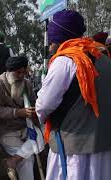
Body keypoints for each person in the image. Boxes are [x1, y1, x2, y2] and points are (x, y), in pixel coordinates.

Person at [36, 10, 111, 180]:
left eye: (52, 41)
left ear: (58, 38)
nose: (50, 47)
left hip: (74, 151)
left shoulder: (65, 61)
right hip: (104, 148)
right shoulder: (105, 59)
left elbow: (43, 105)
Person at [0, 56, 39, 180]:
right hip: (7, 131)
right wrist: (17, 112)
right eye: (18, 72)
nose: (22, 75)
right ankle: (15, 161)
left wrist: (34, 112)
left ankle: (12, 160)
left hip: (26, 127)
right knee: (28, 159)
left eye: (24, 72)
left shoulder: (27, 84)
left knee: (45, 134)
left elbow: (34, 105)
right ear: (9, 71)